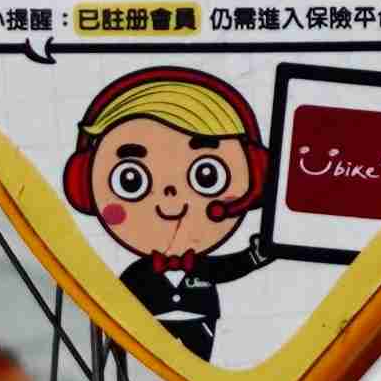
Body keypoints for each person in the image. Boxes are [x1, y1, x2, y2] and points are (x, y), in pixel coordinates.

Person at [62, 66, 278, 357]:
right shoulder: (137, 274)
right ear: (83, 186)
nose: (170, 196)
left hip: (200, 324)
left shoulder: (202, 266)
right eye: (131, 180)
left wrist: (257, 255)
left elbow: (229, 268)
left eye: (207, 175)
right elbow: (114, 298)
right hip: (147, 333)